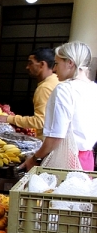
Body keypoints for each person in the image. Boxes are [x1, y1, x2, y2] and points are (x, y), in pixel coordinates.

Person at [20, 41, 97, 172]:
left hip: (65, 160)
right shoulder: (93, 88)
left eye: (56, 63)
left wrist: (35, 159)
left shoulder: (64, 89)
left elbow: (56, 136)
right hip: (87, 159)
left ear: (70, 63)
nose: (54, 69)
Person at [0, 48, 59, 139]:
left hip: (47, 141)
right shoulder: (56, 80)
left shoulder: (45, 87)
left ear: (42, 64)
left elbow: (40, 121)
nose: (27, 67)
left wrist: (7, 118)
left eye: (30, 63)